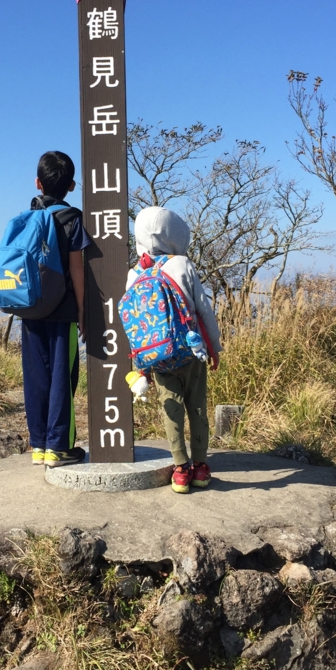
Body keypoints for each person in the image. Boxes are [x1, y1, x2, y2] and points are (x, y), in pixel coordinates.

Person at [128, 206, 222, 493]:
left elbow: (132, 323)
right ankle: (201, 468)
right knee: (197, 408)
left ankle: (180, 469)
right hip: (191, 352)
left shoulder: (134, 273)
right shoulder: (182, 264)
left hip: (158, 357)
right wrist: (214, 347)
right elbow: (204, 311)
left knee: (171, 409)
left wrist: (141, 364)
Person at [21, 151, 91, 468]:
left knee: (37, 377)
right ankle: (59, 448)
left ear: (38, 183)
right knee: (63, 377)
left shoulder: (28, 216)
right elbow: (77, 269)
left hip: (30, 310)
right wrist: (82, 310)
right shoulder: (73, 219)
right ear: (72, 185)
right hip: (62, 313)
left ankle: (38, 446)